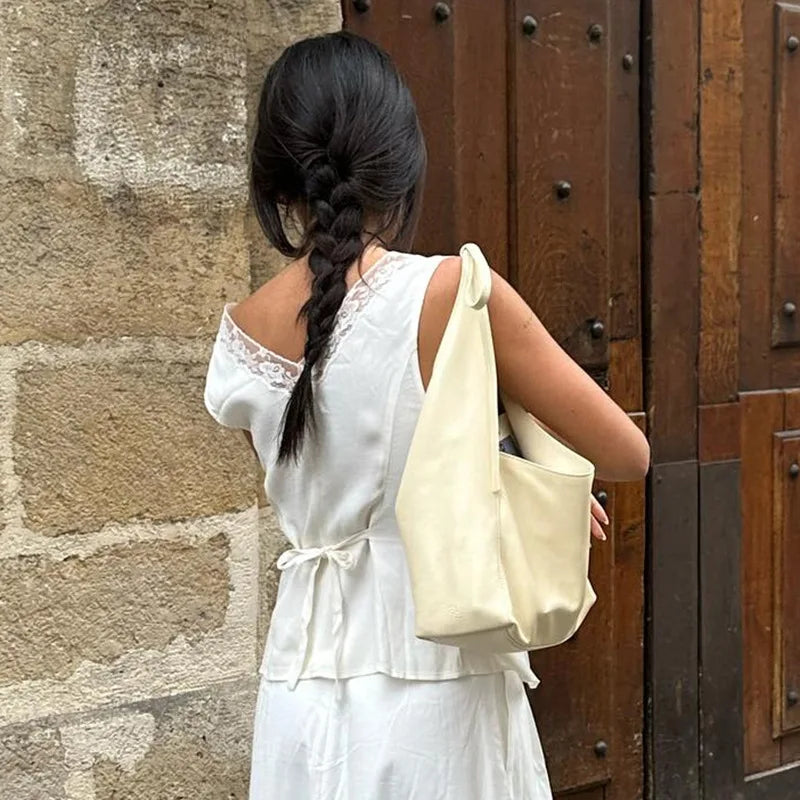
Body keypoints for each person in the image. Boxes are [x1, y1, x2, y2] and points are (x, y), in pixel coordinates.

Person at [203, 30, 650, 800]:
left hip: (299, 688)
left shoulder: (240, 335)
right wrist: (504, 465)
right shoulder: (454, 292)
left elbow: (323, 484)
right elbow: (626, 453)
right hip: (435, 679)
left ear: (274, 174)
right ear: (401, 159)